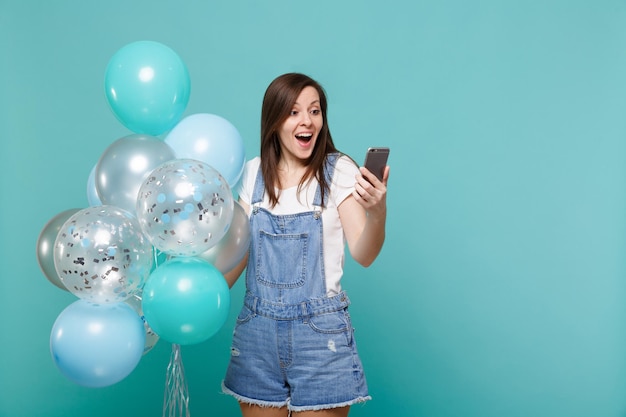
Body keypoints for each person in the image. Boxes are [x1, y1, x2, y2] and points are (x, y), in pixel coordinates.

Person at [222, 73, 389, 417]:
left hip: (319, 337)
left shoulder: (338, 170)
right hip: (257, 334)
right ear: (274, 121)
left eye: (315, 111)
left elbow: (364, 254)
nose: (307, 121)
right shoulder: (252, 174)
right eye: (294, 112)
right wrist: (184, 301)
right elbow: (235, 257)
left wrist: (378, 212)